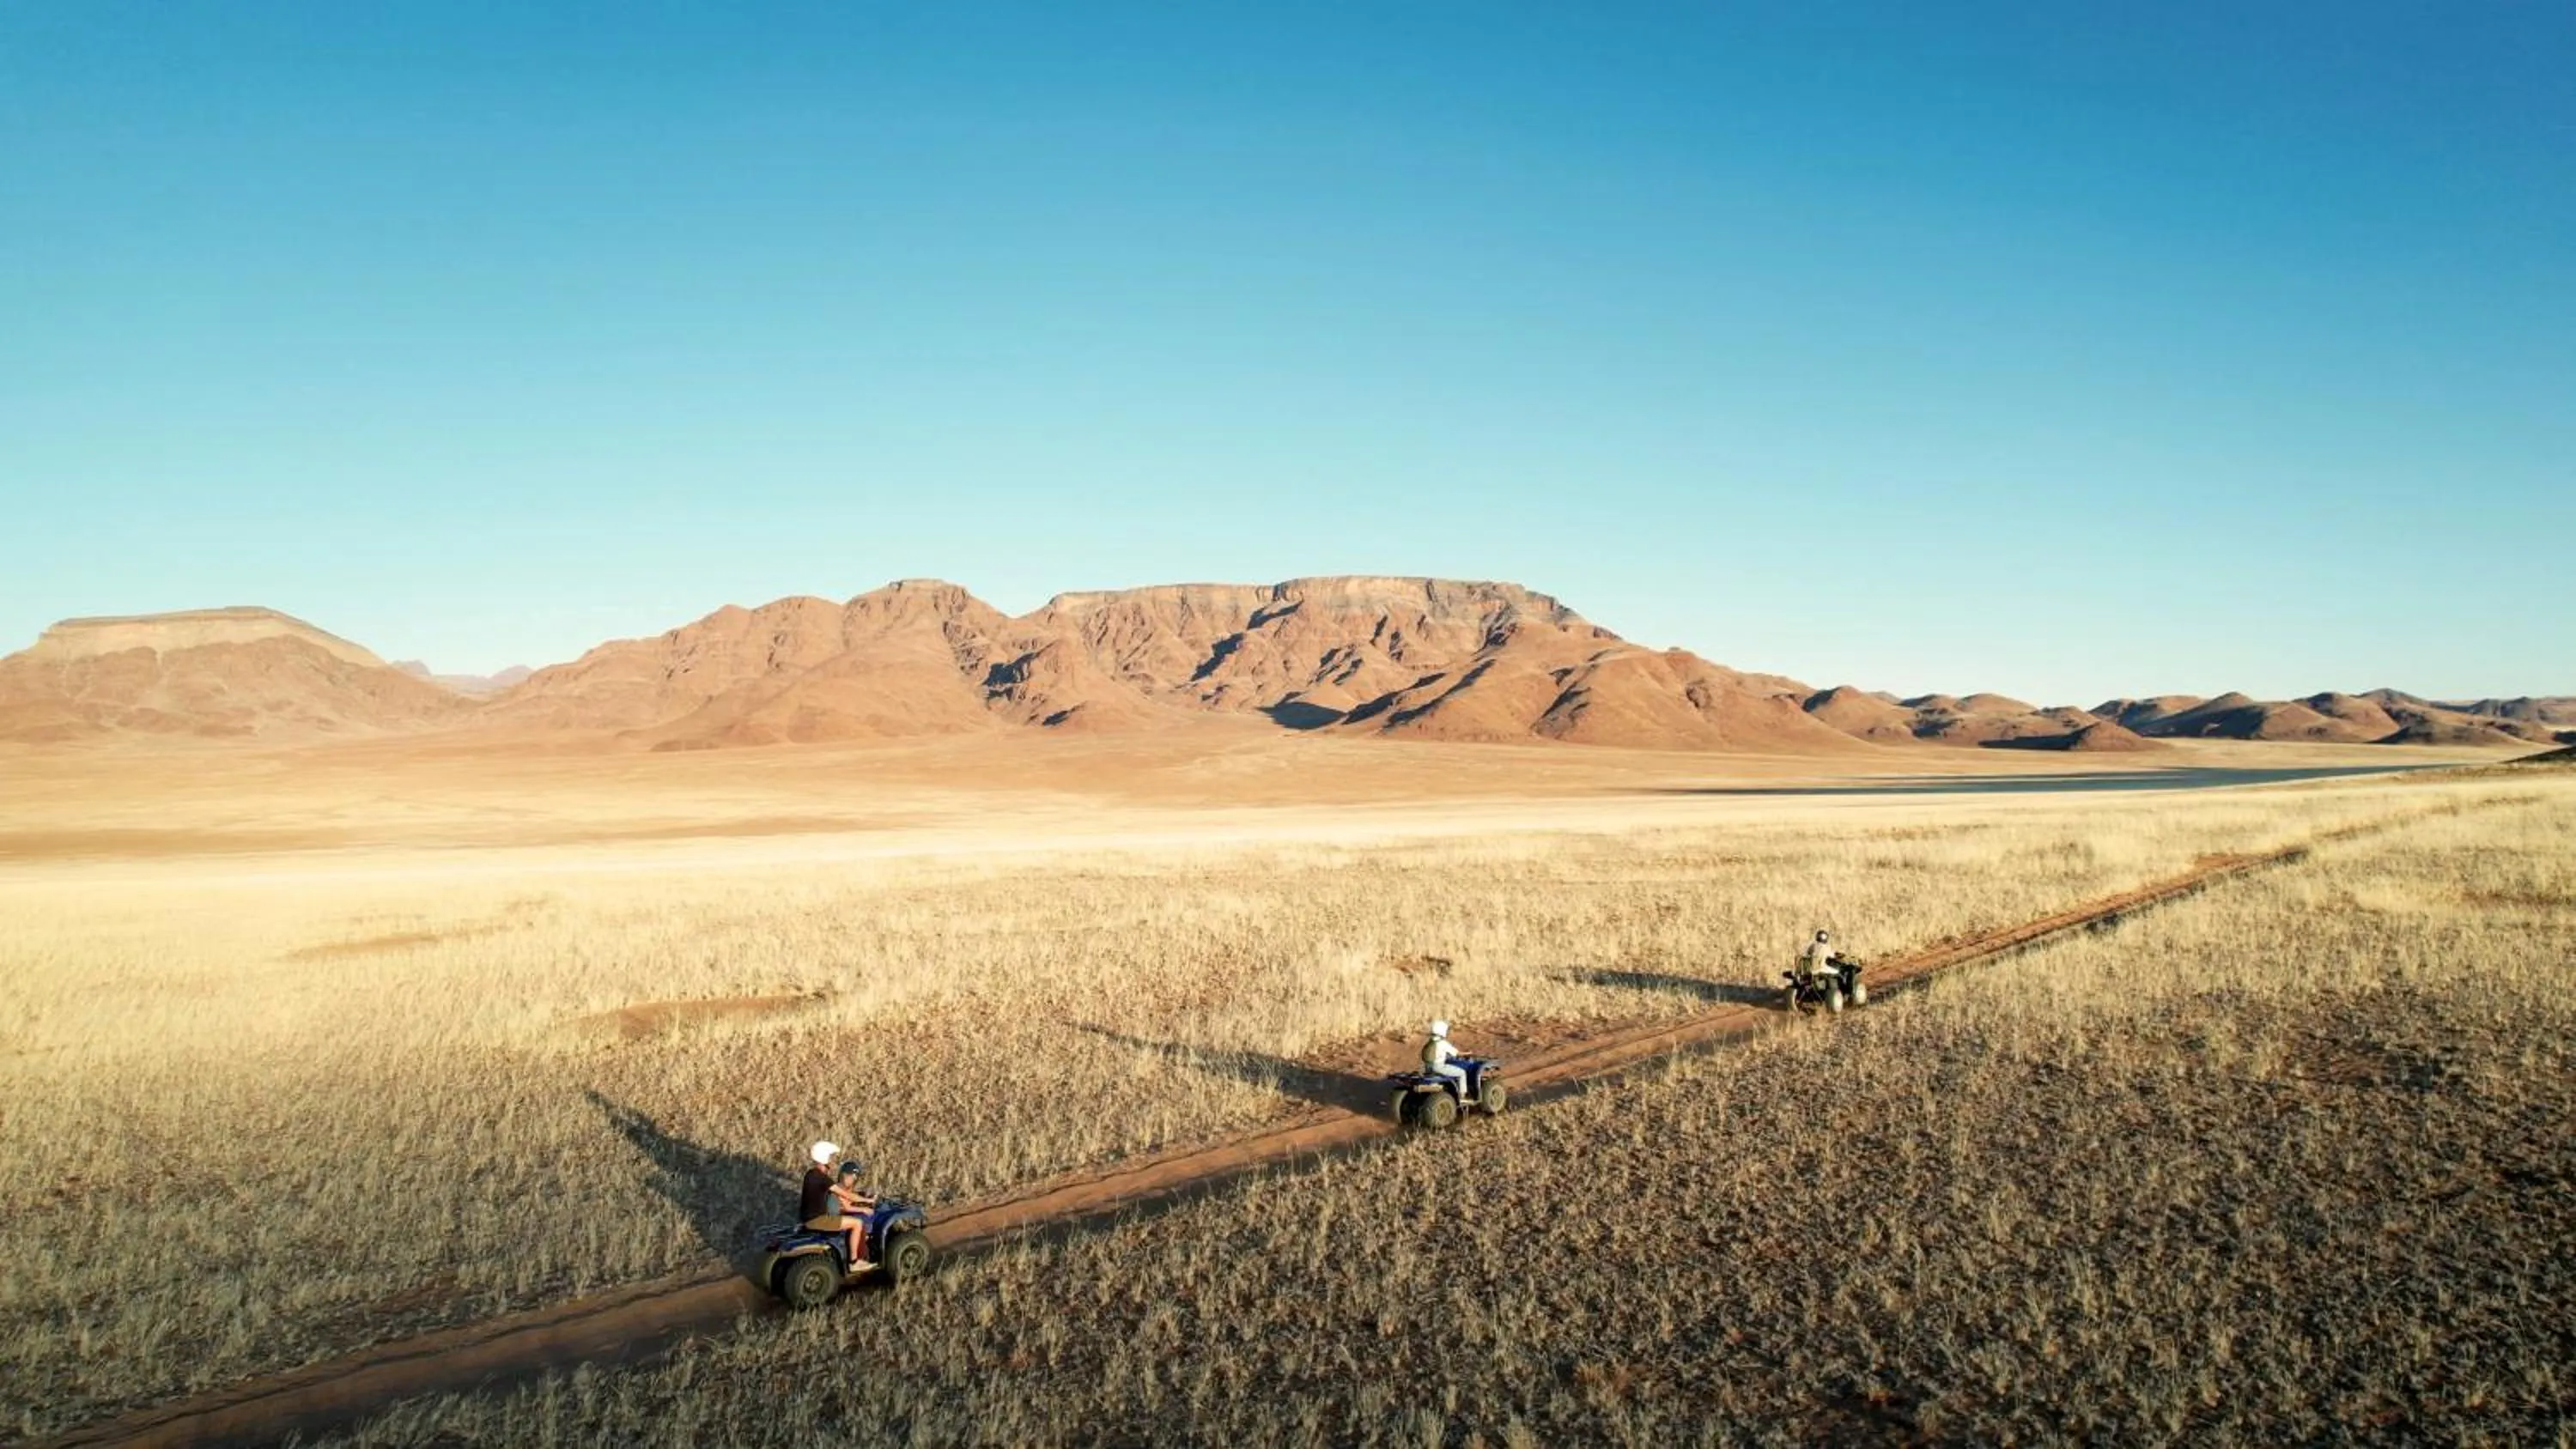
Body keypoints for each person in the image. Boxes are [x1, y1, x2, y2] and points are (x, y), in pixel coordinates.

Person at [799, 1140, 872, 1271]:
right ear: (825, 1158)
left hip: (807, 1219)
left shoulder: (810, 1174)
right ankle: (854, 1262)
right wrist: (868, 1202)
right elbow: (847, 1196)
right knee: (857, 1223)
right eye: (831, 1157)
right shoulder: (823, 1178)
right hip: (819, 1220)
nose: (832, 1161)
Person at [1421, 1019, 1471, 1103]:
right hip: (1439, 1067)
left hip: (1428, 1067)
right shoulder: (1442, 1043)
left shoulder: (1430, 1042)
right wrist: (1468, 1053)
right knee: (1462, 1073)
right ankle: (1463, 1097)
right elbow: (1457, 1053)